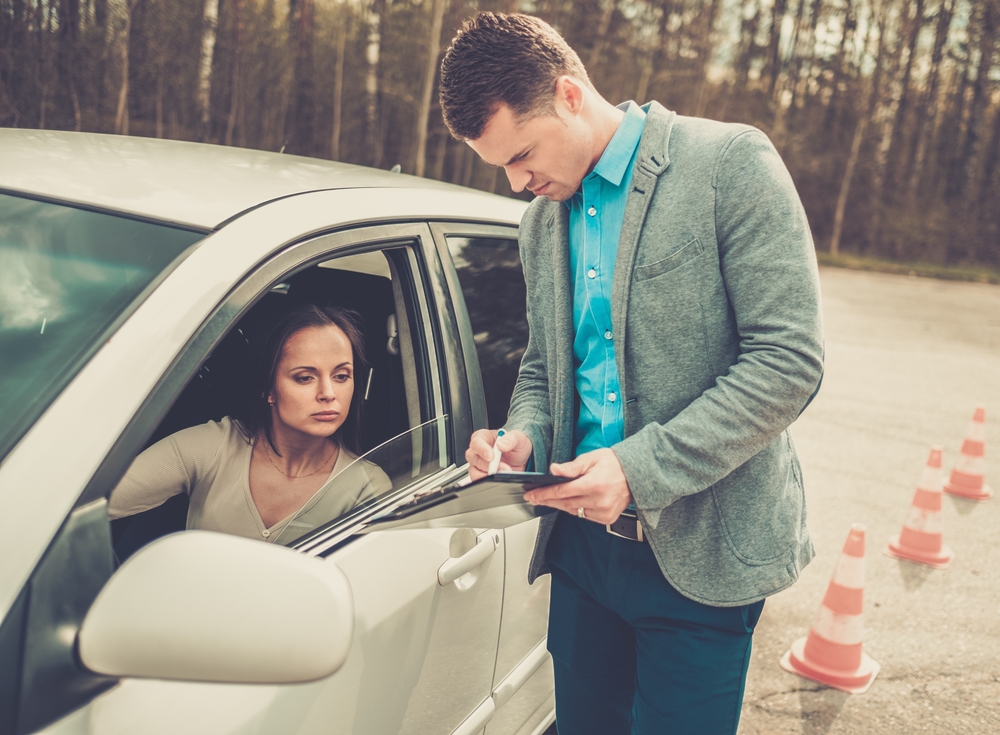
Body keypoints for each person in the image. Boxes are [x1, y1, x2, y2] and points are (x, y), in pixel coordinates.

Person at [440, 13, 824, 735]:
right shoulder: (538, 225)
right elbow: (545, 366)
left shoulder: (731, 165)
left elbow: (788, 362)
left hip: (704, 556)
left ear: (570, 95)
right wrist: (522, 434)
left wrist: (637, 469)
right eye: (503, 170)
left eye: (522, 155)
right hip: (582, 552)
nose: (519, 183)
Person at [109, 304, 391, 546]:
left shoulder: (367, 487)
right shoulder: (214, 447)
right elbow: (88, 503)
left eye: (341, 376)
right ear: (268, 389)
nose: (329, 393)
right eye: (305, 377)